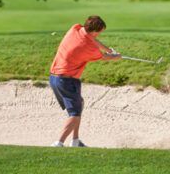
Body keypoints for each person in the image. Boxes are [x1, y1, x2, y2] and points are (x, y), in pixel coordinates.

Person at [48, 16, 120, 147]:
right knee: (74, 114)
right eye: (99, 32)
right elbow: (104, 57)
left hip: (55, 78)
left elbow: (91, 39)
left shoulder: (75, 29)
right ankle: (59, 143)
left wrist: (108, 49)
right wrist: (115, 56)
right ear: (95, 31)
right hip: (66, 80)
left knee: (79, 104)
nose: (99, 35)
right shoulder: (87, 47)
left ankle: (75, 141)